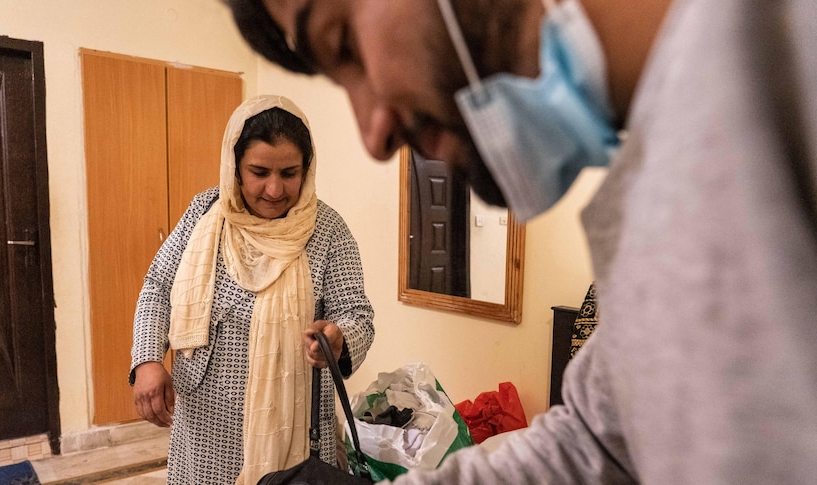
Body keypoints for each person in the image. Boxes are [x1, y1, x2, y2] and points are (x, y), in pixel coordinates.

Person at [227, 0, 817, 483]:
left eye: (345, 45)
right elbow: (592, 445)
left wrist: (337, 335)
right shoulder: (650, 188)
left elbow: (355, 313)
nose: (373, 134)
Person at [129, 94, 375, 484]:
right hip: (206, 426)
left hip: (294, 427)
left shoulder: (328, 230)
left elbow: (357, 314)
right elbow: (159, 285)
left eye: (289, 173)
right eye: (259, 172)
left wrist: (339, 337)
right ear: (235, 167)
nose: (275, 190)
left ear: (307, 170)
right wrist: (147, 360)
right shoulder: (205, 213)